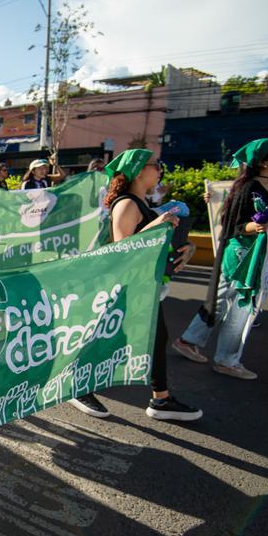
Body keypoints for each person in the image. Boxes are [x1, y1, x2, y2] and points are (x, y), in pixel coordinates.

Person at [69, 148, 201, 421]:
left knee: (156, 337)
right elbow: (123, 250)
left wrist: (188, 246)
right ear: (140, 170)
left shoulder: (143, 204)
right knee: (105, 338)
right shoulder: (126, 204)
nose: (160, 169)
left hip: (144, 285)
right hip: (125, 288)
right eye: (156, 164)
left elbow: (160, 241)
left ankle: (161, 399)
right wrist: (158, 225)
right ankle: (77, 386)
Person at [173, 138, 268, 380]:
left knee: (222, 301)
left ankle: (188, 341)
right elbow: (233, 224)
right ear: (265, 162)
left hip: (251, 254)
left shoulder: (267, 184)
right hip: (242, 255)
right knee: (240, 306)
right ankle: (226, 360)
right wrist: (252, 227)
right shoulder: (249, 187)